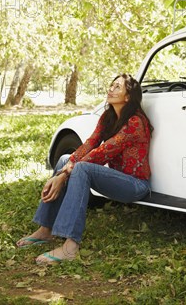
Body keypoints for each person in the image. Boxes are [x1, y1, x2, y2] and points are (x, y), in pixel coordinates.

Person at [16, 73, 153, 264]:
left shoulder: (135, 123)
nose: (111, 89)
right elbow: (90, 144)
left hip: (135, 185)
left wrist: (63, 176)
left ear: (128, 97)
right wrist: (68, 165)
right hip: (115, 179)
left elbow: (103, 152)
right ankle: (45, 230)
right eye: (111, 85)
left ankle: (70, 247)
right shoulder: (108, 117)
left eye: (117, 87)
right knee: (65, 159)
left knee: (81, 168)